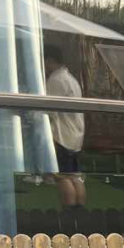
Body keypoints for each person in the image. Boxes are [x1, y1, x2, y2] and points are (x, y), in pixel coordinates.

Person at [43, 44, 87, 212]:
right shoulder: (71, 80)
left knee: (62, 177)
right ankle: (79, 214)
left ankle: (69, 215)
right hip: (76, 136)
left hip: (62, 136)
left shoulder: (55, 80)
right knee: (75, 177)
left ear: (49, 60)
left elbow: (49, 112)